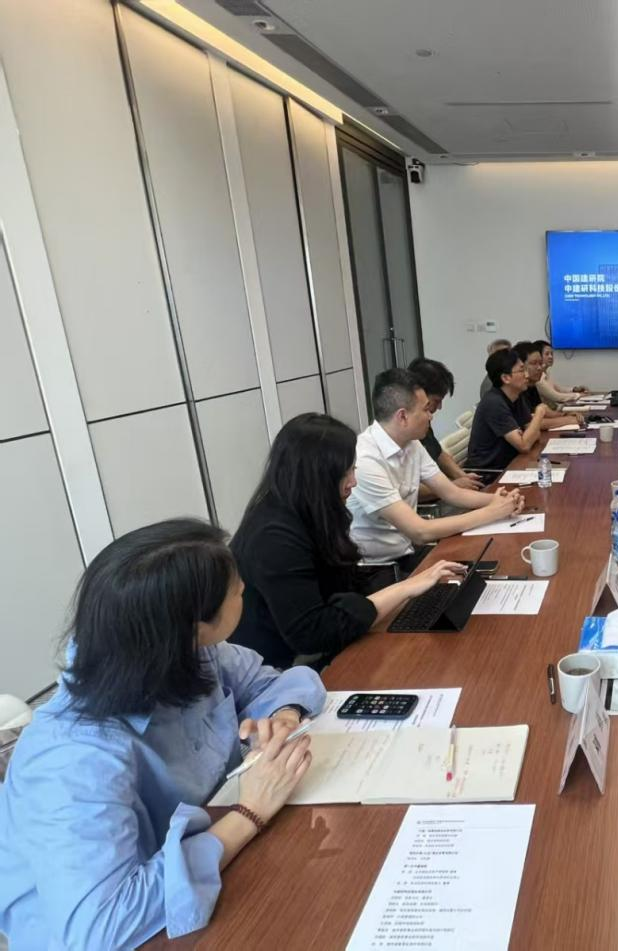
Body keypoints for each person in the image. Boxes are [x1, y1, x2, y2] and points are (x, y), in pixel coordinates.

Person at [0, 519, 323, 947]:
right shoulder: (73, 757)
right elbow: (100, 930)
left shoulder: (187, 652)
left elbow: (272, 681)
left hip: (211, 876)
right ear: (195, 625)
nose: (244, 588)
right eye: (237, 590)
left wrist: (283, 715)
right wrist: (249, 813)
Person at [230, 414, 466, 669]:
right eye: (347, 472)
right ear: (317, 475)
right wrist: (405, 589)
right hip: (280, 669)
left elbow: (343, 586)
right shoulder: (273, 537)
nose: (353, 481)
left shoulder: (314, 508)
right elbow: (312, 633)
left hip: (326, 643)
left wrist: (407, 593)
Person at [347, 369, 522, 573]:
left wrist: (501, 500)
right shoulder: (365, 460)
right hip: (377, 569)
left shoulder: (412, 443)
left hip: (408, 552)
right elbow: (420, 531)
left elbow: (452, 493)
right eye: (425, 410)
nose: (431, 416)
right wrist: (491, 512)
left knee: (491, 563)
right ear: (402, 416)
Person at [466, 348, 551, 472]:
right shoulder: (494, 403)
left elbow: (535, 434)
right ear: (506, 378)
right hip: (489, 473)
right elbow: (525, 445)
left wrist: (527, 435)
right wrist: (539, 413)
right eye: (521, 370)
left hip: (511, 463)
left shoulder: (516, 395)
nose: (527, 375)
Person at [407, 356, 484, 492]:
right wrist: (453, 485)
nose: (440, 407)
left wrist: (463, 476)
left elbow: (438, 453)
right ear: (418, 394)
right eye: (436, 401)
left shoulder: (423, 423)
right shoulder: (403, 433)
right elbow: (408, 491)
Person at [514, 340, 585, 427]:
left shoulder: (531, 385)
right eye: (534, 363)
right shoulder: (517, 390)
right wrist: (568, 420)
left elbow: (542, 411)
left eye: (540, 363)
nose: (539, 368)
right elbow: (529, 423)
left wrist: (565, 414)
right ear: (520, 366)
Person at [535, 339, 587, 405]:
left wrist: (574, 389)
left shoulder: (545, 374)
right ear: (538, 356)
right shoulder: (538, 378)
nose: (551, 357)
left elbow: (559, 389)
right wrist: (578, 395)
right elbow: (557, 397)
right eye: (547, 354)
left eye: (551, 354)